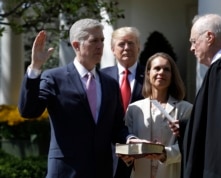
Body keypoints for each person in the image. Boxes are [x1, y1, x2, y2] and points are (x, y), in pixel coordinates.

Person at [18, 18, 140, 178]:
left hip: (102, 171)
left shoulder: (110, 83)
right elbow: (29, 111)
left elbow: (116, 126)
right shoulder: (54, 78)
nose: (100, 45)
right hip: (66, 171)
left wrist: (129, 139)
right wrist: (35, 68)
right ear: (76, 45)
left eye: (102, 40)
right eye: (94, 40)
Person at [169, 13, 221, 178]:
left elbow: (220, 132)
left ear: (209, 37)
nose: (192, 48)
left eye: (193, 41)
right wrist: (187, 127)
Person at [121, 52, 193, 178]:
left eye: (166, 69)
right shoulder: (134, 109)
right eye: (157, 68)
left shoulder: (185, 109)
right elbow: (128, 141)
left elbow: (191, 147)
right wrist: (127, 155)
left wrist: (165, 154)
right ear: (148, 73)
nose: (161, 72)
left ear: (172, 75)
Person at [101, 26, 145, 178]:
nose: (126, 48)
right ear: (113, 49)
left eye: (131, 43)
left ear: (138, 47)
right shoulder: (101, 77)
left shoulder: (151, 76)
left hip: (141, 152)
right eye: (121, 44)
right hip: (108, 152)